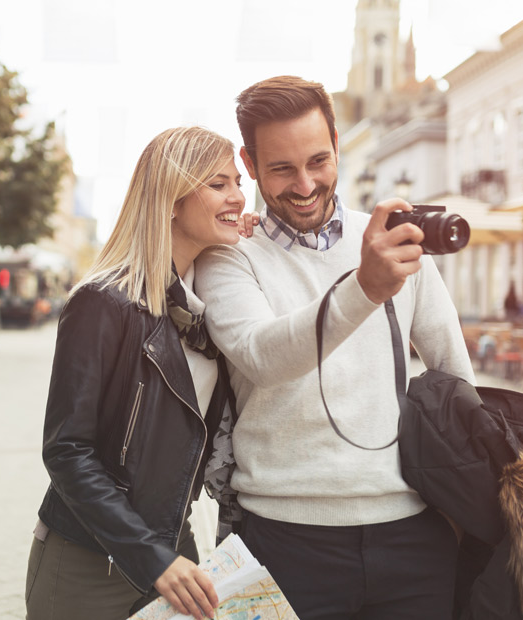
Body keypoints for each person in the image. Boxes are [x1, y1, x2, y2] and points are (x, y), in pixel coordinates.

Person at [194, 76, 475, 619]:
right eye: (281, 168)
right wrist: (364, 287)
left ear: (339, 144)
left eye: (318, 161)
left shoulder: (395, 240)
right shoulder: (230, 257)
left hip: (413, 534)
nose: (304, 185)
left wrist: (471, 503)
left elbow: (454, 373)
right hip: (282, 540)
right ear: (250, 165)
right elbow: (261, 354)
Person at [26, 126, 258, 620]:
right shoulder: (102, 302)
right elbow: (67, 450)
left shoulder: (208, 307)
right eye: (219, 184)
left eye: (238, 182)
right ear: (172, 198)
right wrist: (151, 558)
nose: (238, 195)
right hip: (89, 559)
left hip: (176, 549)